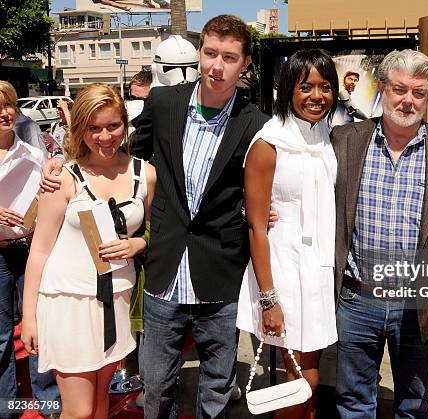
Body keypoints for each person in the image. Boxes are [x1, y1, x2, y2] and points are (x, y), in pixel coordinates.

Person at [129, 15, 268, 418]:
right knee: (155, 386)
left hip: (220, 273)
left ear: (244, 64)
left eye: (229, 57)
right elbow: (130, 159)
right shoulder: (164, 103)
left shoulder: (256, 124)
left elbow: (264, 186)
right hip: (165, 269)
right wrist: (66, 167)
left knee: (217, 388)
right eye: (210, 53)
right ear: (200, 52)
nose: (216, 67)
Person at [331, 49, 428, 418]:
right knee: (353, 401)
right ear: (382, 88)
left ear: (427, 97)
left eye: (418, 92)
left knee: (412, 403)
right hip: (357, 299)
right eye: (399, 89)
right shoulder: (345, 140)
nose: (408, 100)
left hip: (417, 304)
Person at [21, 83, 156, 419]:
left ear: (125, 124)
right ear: (79, 129)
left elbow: (158, 232)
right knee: (78, 410)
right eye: (93, 128)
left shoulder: (145, 174)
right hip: (68, 303)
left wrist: (139, 243)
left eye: (113, 126)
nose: (105, 137)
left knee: (99, 406)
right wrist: (29, 316)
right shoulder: (63, 178)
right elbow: (38, 251)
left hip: (118, 300)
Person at [236, 48, 339, 418]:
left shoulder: (326, 136)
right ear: (286, 90)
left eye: (325, 87)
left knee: (307, 374)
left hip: (318, 270)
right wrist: (269, 299)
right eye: (306, 86)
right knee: (301, 378)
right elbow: (257, 228)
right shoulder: (268, 143)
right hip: (283, 271)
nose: (316, 96)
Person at [0, 81, 61, 419]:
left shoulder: (35, 154)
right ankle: (6, 405)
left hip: (30, 249)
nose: (4, 113)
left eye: (8, 105)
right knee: (1, 336)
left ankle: (48, 399)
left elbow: (52, 197)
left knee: (39, 325)